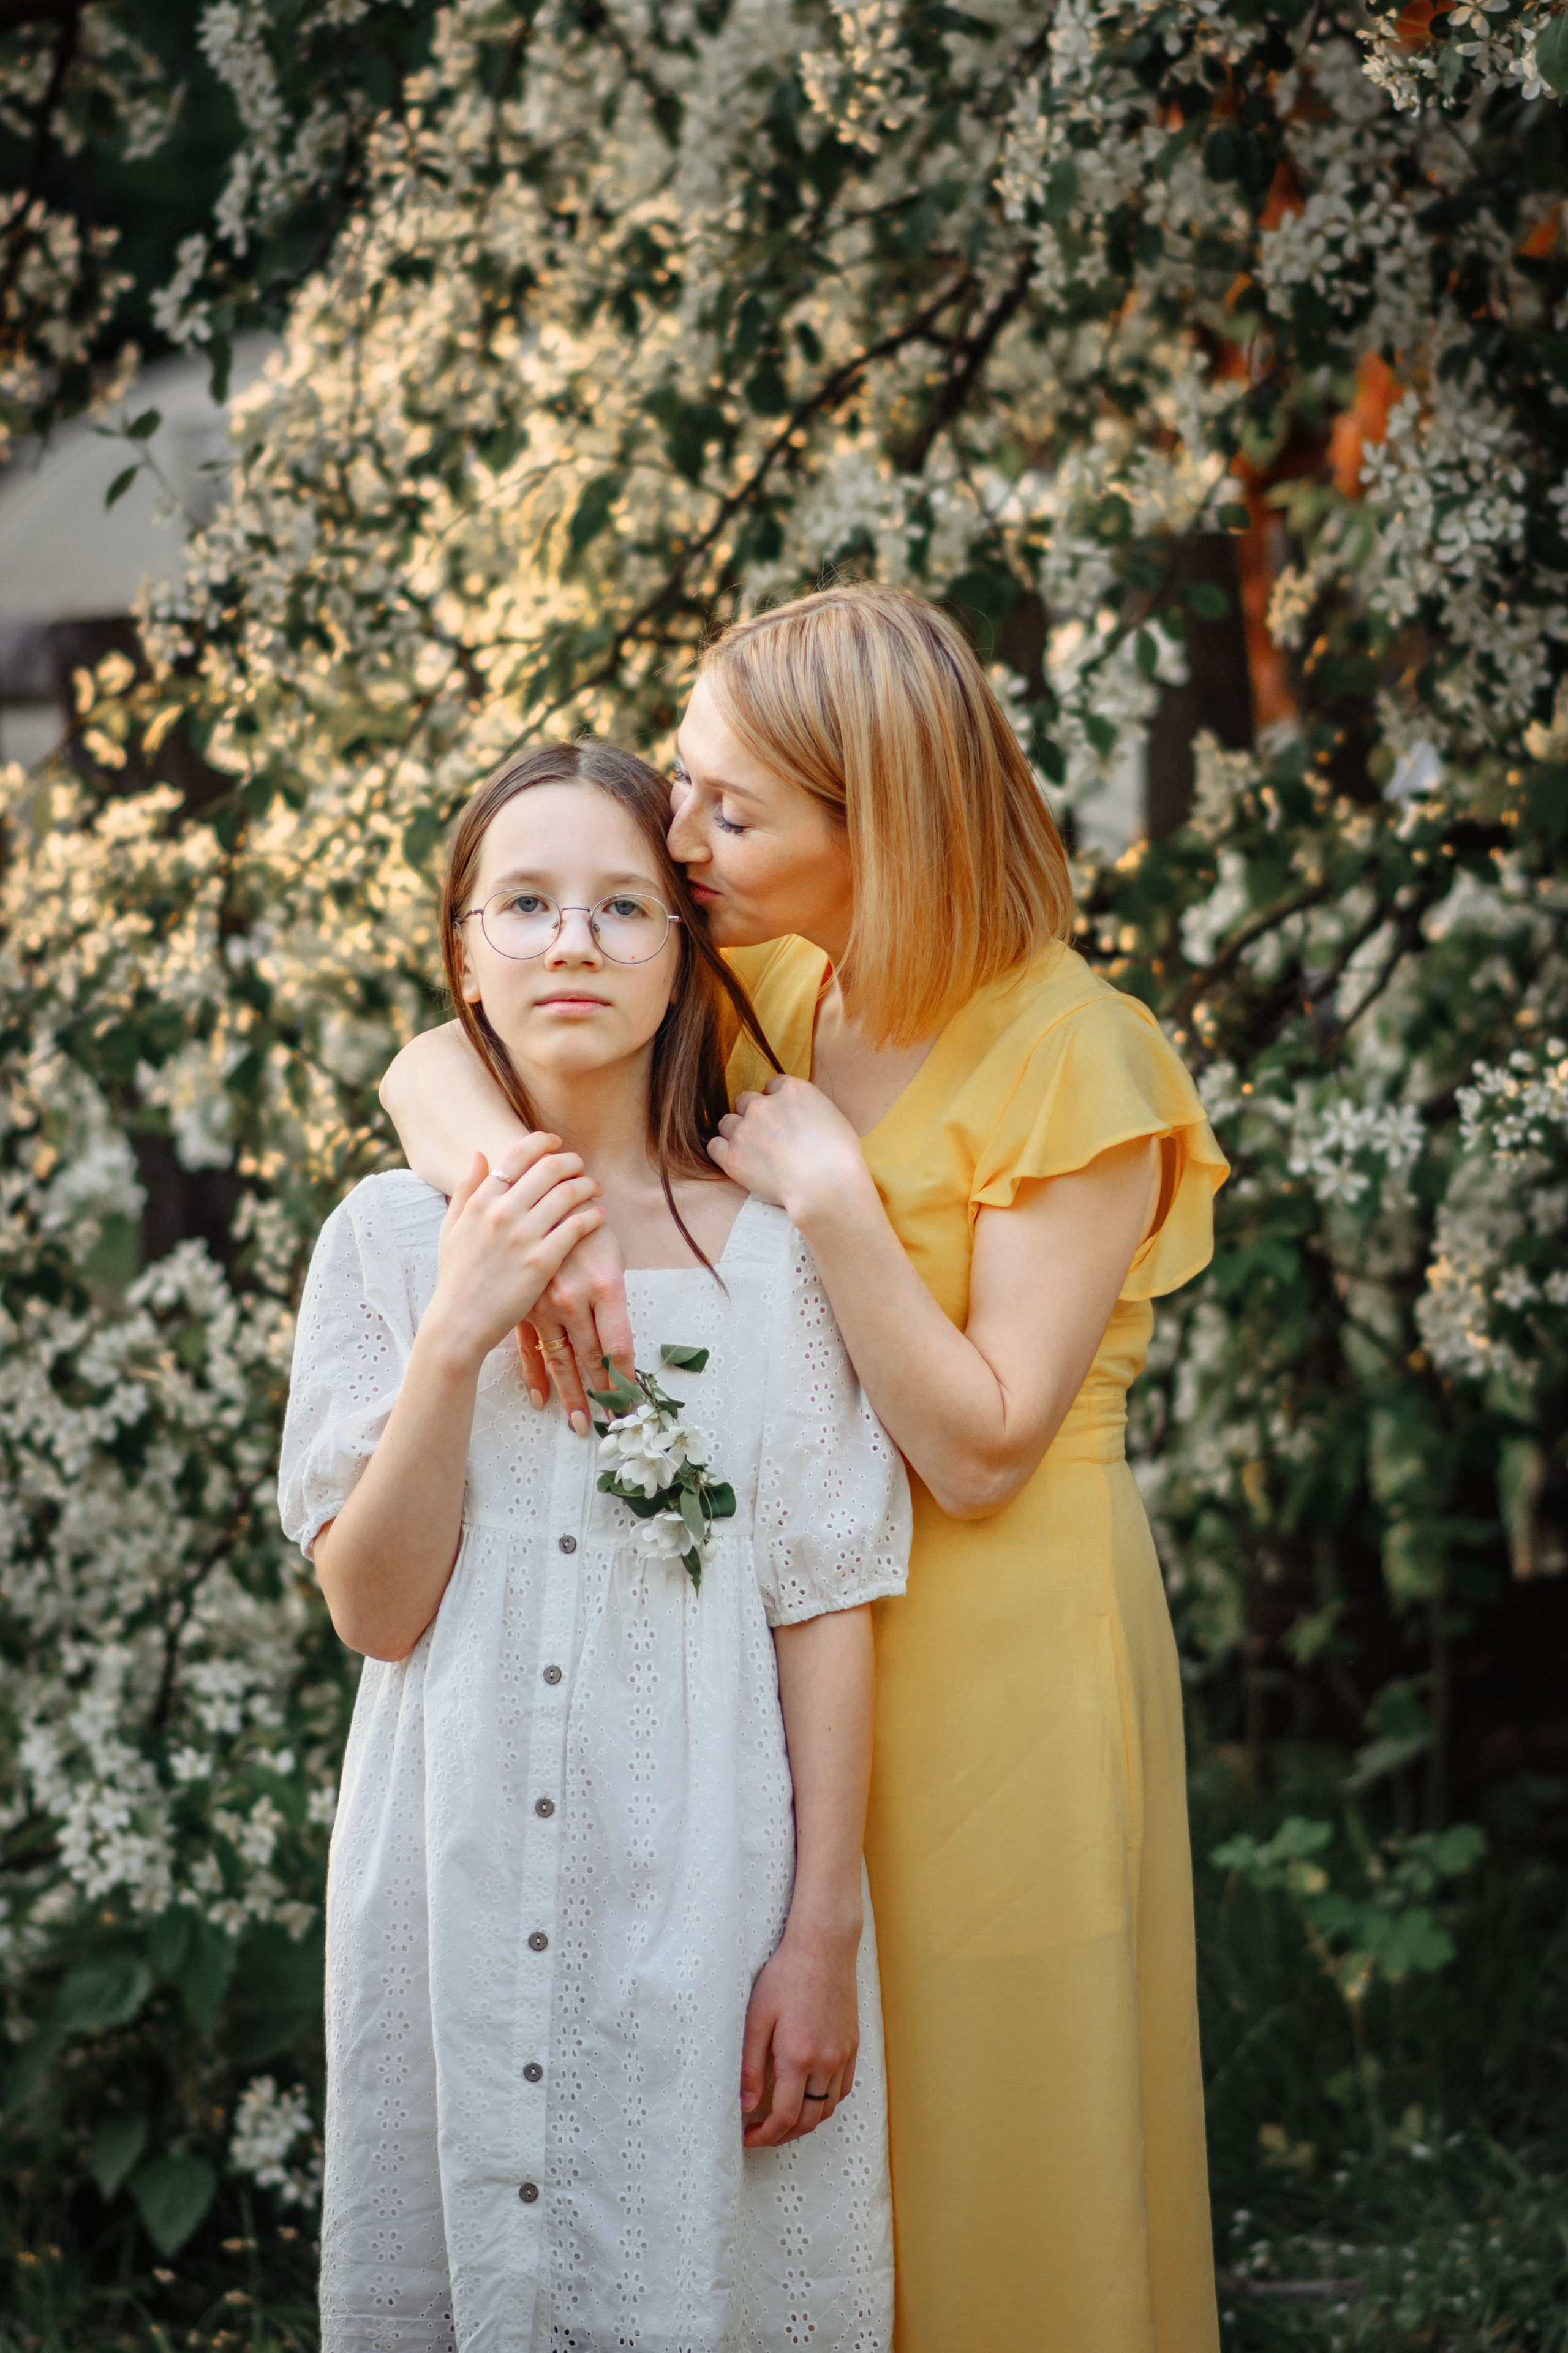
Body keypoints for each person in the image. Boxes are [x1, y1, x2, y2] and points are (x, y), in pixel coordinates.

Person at [381, 586, 1229, 2353]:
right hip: (773, 1664)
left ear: (883, 825)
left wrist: (839, 1202)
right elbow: (435, 1052)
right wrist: (524, 1213)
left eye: (732, 812)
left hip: (1001, 1672)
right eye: (688, 791)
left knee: (995, 2153)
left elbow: (986, 1445)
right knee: (796, 2183)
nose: (682, 845)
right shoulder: (773, 979)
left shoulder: (1083, 1054)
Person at [281, 738, 911, 2353]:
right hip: (460, 1868)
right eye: (530, 905)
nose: (574, 942)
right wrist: (455, 1335)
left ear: (688, 952)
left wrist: (819, 1929)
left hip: (706, 1876)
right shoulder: (386, 1234)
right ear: (465, 956)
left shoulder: (768, 1255)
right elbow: (373, 1604)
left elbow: (824, 1594)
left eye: (625, 906)